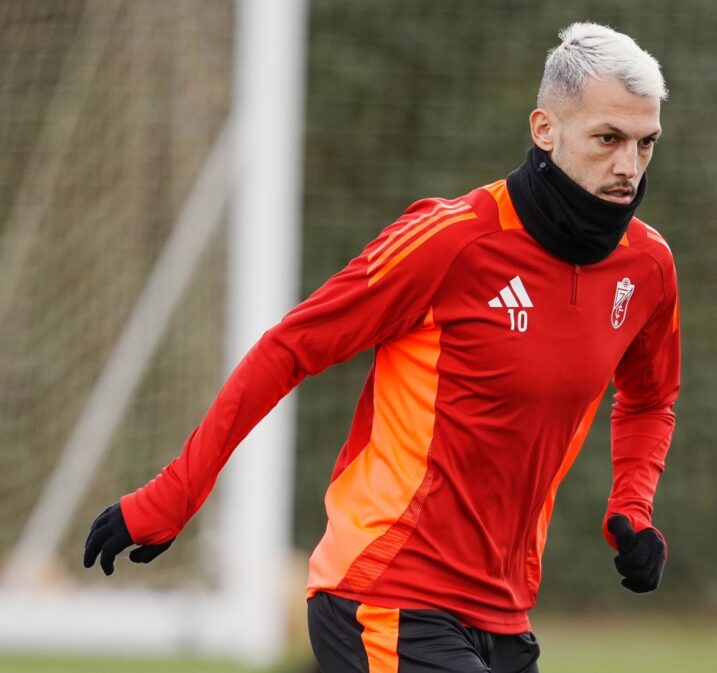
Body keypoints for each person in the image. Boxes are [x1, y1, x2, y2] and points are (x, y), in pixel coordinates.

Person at [83, 21, 680, 673]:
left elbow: (650, 398)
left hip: (503, 613)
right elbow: (290, 347)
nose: (628, 166)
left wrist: (632, 506)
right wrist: (173, 496)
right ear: (545, 128)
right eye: (608, 139)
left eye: (645, 143)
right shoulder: (450, 242)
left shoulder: (647, 267)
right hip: (385, 591)